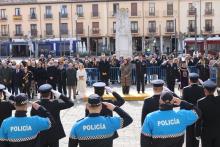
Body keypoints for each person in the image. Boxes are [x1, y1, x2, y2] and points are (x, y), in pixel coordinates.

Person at [69, 94, 133, 147]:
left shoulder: (77, 126)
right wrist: (114, 108)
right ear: (101, 107)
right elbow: (129, 119)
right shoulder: (110, 122)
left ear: (87, 106)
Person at [182, 73, 205, 147]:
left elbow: (183, 102)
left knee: (189, 133)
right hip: (198, 113)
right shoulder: (201, 88)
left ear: (190, 80)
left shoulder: (185, 89)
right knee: (197, 132)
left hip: (188, 113)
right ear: (198, 80)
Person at [196, 79, 220, 147]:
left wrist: (197, 133)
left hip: (206, 132)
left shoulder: (200, 102)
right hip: (218, 131)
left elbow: (199, 118)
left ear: (205, 90)